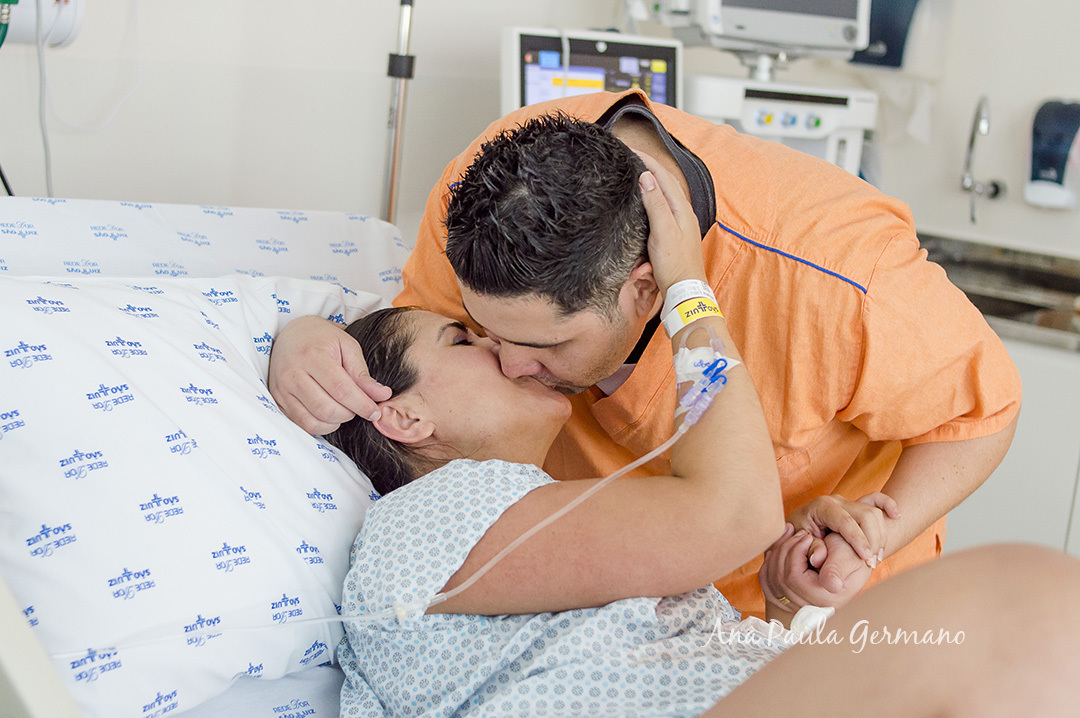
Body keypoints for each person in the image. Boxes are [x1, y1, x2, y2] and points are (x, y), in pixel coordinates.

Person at [323, 165, 1080, 717]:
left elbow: (668, 657)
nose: (505, 351)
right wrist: (690, 290)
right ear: (402, 417)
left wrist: (781, 605)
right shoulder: (419, 524)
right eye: (464, 338)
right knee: (1026, 604)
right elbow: (736, 518)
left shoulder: (523, 517)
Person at [269, 89, 1022, 618]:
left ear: (646, 287)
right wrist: (310, 336)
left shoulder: (839, 279)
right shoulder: (491, 198)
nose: (507, 363)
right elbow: (413, 339)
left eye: (545, 346)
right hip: (617, 580)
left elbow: (979, 412)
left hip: (805, 596)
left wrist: (874, 532)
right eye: (478, 331)